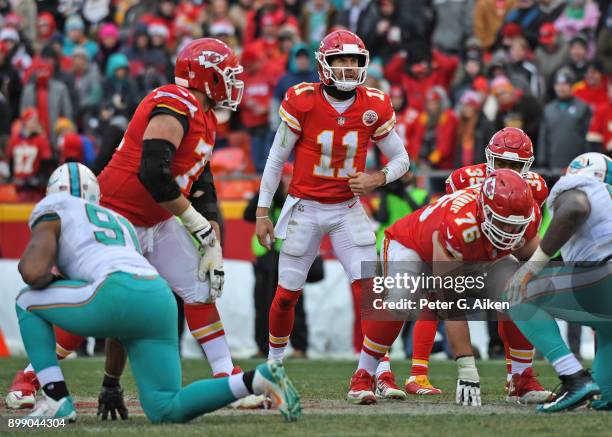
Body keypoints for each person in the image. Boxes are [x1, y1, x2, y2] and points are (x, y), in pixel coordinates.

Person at [6, 38, 253, 413]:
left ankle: (225, 376)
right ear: (204, 75)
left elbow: (201, 181)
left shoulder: (205, 118)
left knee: (200, 288)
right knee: (97, 305)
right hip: (117, 217)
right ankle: (29, 377)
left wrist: (213, 228)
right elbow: (153, 172)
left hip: (158, 218)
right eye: (226, 74)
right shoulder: (175, 101)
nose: (234, 82)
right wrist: (198, 225)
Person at [14, 162, 301, 423]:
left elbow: (33, 272)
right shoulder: (120, 222)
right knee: (166, 408)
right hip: (158, 299)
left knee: (27, 300)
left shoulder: (54, 208)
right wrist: (110, 382)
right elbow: (122, 317)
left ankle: (54, 397)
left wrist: (47, 277)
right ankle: (255, 380)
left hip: (113, 292)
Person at [254, 30, 410, 400]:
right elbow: (277, 158)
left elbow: (402, 159)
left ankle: (371, 373)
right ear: (325, 63)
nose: (349, 67)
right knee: (286, 296)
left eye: (355, 60)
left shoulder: (374, 103)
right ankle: (274, 368)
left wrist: (377, 177)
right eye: (341, 59)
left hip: (346, 208)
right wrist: (263, 210)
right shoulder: (302, 99)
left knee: (372, 294)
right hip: (304, 208)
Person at [348, 169, 542, 405]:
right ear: (484, 212)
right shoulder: (460, 224)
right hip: (412, 244)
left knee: (520, 293)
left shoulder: (528, 215)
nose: (508, 232)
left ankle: (521, 379)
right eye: (501, 223)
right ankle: (363, 375)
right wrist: (467, 368)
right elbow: (451, 304)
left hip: (475, 249)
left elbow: (536, 261)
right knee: (400, 301)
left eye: (515, 226)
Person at [404, 128, 550, 404]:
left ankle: (516, 378)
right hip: (462, 247)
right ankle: (417, 373)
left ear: (527, 166)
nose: (507, 170)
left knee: (513, 297)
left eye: (515, 165)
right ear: (489, 159)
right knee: (437, 298)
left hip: (500, 251)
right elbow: (448, 215)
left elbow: (527, 233)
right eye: (502, 163)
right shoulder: (464, 179)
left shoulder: (536, 187)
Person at [505, 152, 612, 412]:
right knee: (603, 397)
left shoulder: (578, 186)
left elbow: (575, 208)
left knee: (519, 293)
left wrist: (532, 266)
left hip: (603, 276)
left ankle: (573, 378)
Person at [538, 69, 592, 170]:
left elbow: (588, 137)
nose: (560, 88)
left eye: (565, 84)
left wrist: (589, 159)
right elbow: (543, 137)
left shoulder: (583, 107)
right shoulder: (548, 109)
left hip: (578, 163)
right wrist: (542, 161)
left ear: (572, 86)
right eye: (558, 84)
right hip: (554, 163)